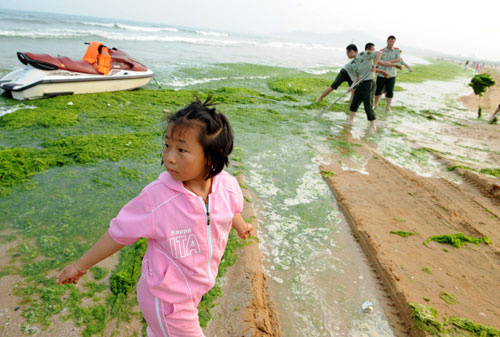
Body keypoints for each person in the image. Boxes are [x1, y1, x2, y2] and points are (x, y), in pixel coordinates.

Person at [56, 97, 253, 337]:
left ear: (212, 156)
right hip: (166, 299)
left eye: (181, 150)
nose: (169, 157)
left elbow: (231, 210)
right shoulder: (158, 198)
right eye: (167, 145)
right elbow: (117, 235)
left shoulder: (228, 186)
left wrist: (241, 226)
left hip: (196, 289)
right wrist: (79, 266)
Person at [348, 42, 400, 132]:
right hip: (361, 83)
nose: (347, 55)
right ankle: (350, 121)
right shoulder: (354, 62)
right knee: (354, 103)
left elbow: (379, 53)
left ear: (352, 51)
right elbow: (357, 76)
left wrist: (374, 65)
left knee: (368, 106)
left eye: (347, 53)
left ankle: (373, 126)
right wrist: (352, 86)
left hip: (369, 83)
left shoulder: (364, 54)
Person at [374, 35, 413, 112]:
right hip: (381, 73)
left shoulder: (397, 50)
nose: (391, 43)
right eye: (390, 41)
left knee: (390, 91)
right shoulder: (381, 51)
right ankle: (376, 104)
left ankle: (388, 106)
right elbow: (378, 61)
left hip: (391, 74)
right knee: (378, 90)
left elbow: (399, 59)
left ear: (394, 42)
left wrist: (389, 63)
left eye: (393, 41)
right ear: (387, 41)